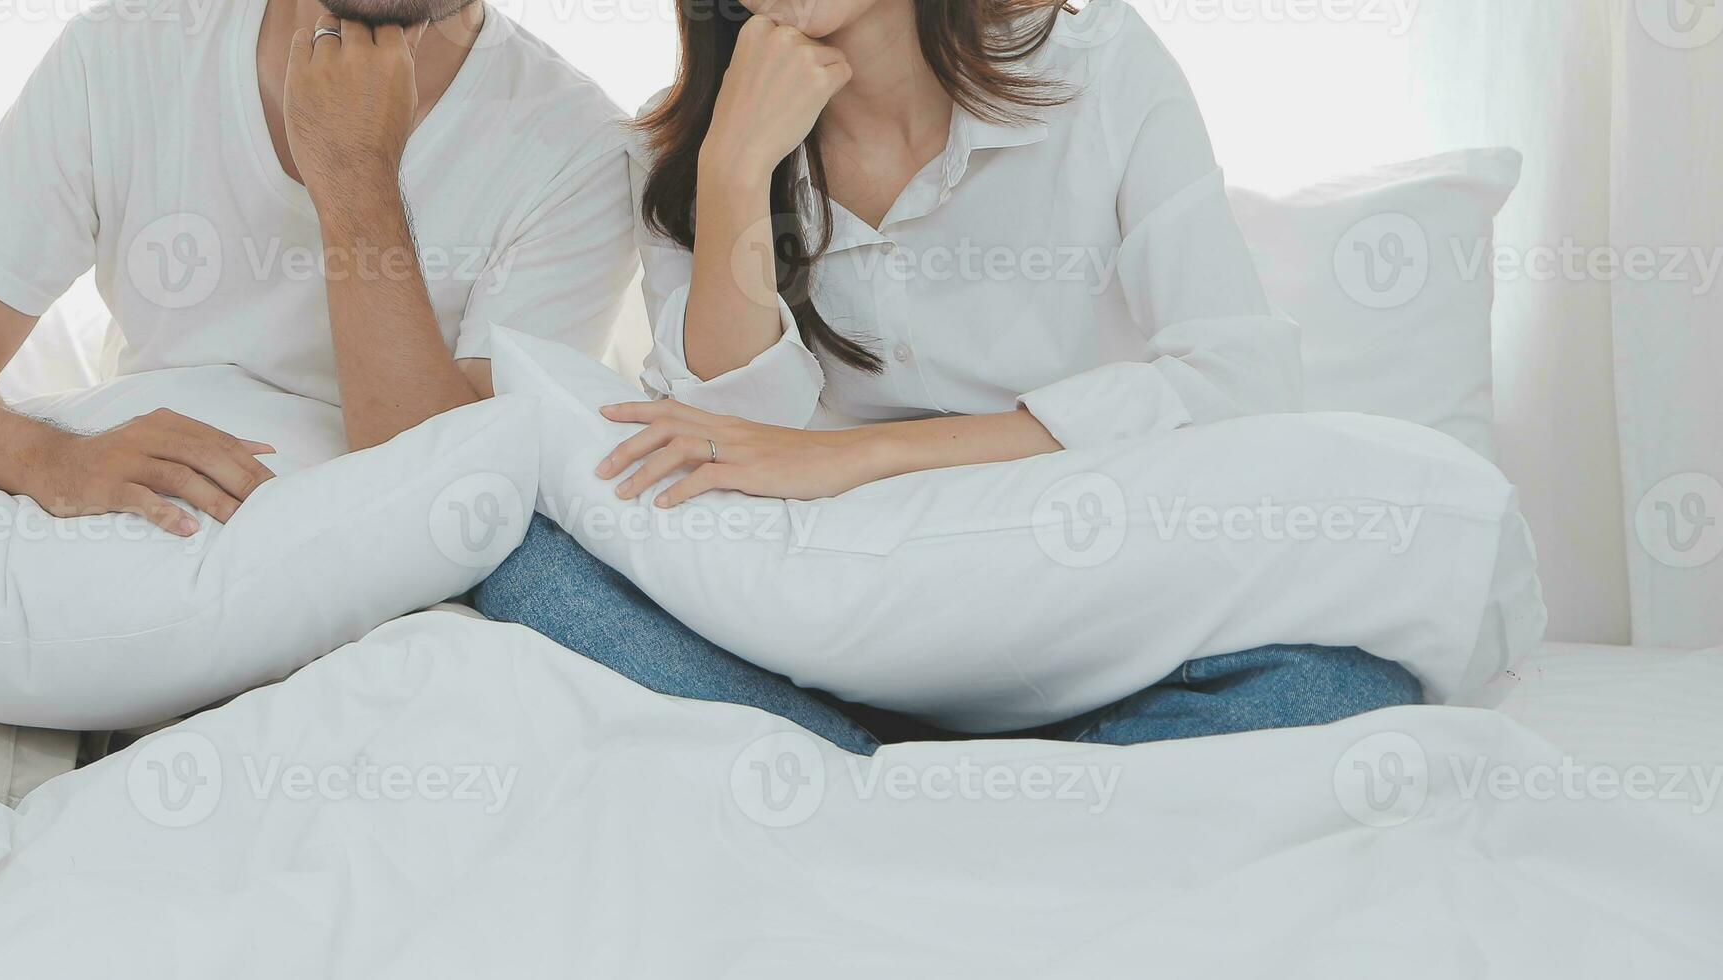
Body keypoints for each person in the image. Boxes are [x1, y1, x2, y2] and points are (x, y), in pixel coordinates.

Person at [0, 0, 882, 828]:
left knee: (458, 701)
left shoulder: (571, 145)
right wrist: (50, 458)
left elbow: (433, 472)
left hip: (357, 557)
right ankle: (107, 767)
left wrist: (352, 175)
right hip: (134, 500)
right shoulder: (132, 49)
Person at [473, 0, 1424, 747]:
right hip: (834, 635)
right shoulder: (681, 151)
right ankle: (932, 775)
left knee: (1349, 686)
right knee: (518, 570)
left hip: (1088, 616)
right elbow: (723, 441)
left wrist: (864, 457)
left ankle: (880, 776)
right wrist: (733, 171)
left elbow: (1239, 383)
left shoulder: (1097, 70)